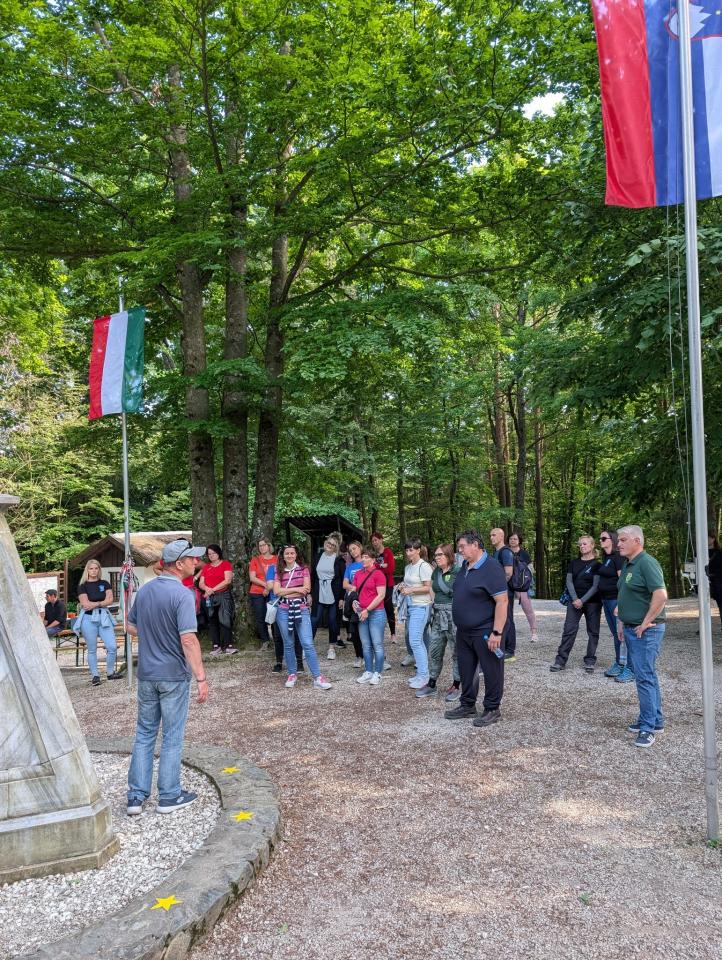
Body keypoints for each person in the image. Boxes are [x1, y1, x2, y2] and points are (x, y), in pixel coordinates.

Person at [126, 538, 209, 815]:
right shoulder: (183, 594)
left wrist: (152, 636)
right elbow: (188, 639)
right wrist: (201, 677)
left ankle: (135, 797)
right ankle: (169, 795)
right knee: (172, 735)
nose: (196, 562)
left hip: (147, 673)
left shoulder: (146, 591)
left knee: (144, 732)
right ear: (179, 564)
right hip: (173, 674)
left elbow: (129, 625)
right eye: (192, 558)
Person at [444, 530, 509, 727]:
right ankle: (468, 705)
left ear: (476, 545)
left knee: (491, 670)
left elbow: (502, 601)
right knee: (467, 670)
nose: (459, 550)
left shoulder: (492, 567)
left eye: (462, 546)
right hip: (464, 631)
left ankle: (492, 708)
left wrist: (497, 632)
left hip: (485, 630)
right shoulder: (465, 566)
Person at [616, 525, 668, 748]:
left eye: (623, 540)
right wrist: (622, 621)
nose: (618, 544)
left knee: (644, 677)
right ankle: (655, 720)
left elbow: (661, 595)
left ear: (637, 541)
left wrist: (645, 622)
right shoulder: (629, 563)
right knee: (646, 674)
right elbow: (625, 594)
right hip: (631, 627)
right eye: (618, 540)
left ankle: (648, 728)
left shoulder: (647, 563)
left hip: (645, 631)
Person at [274, 544, 332, 690]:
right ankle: (292, 674)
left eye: (292, 553)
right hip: (283, 610)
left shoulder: (303, 569)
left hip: (301, 609)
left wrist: (287, 591)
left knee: (307, 643)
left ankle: (317, 677)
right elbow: (276, 591)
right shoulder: (279, 570)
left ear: (296, 555)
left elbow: (306, 589)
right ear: (283, 556)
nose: (289, 555)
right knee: (288, 643)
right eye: (287, 553)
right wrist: (296, 589)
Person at [415, 544, 461, 700]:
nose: (437, 557)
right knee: (435, 649)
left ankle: (457, 684)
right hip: (438, 616)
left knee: (456, 651)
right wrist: (435, 605)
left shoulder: (458, 571)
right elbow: (432, 589)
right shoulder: (436, 572)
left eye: (440, 554)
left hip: (454, 616)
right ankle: (432, 683)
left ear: (449, 555)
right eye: (436, 555)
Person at [551, 535, 601, 673]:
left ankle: (590, 660)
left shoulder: (598, 565)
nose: (582, 546)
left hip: (593, 602)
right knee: (569, 630)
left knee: (593, 632)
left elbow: (595, 586)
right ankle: (560, 661)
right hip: (574, 602)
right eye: (580, 544)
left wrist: (582, 600)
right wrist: (575, 599)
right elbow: (569, 582)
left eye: (584, 544)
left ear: (592, 545)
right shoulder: (574, 563)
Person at [75, 559, 120, 684]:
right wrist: (101, 603)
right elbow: (85, 604)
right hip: (88, 619)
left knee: (112, 646)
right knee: (92, 649)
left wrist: (96, 604)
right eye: (91, 568)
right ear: (87, 570)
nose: (94, 571)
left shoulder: (105, 583)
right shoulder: (82, 586)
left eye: (96, 568)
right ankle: (95, 676)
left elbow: (110, 600)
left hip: (104, 617)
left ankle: (110, 673)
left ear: (99, 570)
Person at [598, 529, 632, 682]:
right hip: (606, 600)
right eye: (600, 538)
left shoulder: (618, 557)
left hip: (615, 600)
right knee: (616, 633)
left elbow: (622, 580)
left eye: (603, 538)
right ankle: (619, 663)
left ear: (612, 539)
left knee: (622, 634)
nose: (600, 541)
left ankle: (630, 667)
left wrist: (621, 602)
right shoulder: (607, 557)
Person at [399, 538, 433, 690]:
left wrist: (411, 590)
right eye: (407, 550)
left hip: (421, 606)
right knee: (417, 641)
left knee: (415, 641)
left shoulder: (424, 566)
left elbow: (428, 588)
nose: (408, 553)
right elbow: (409, 584)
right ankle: (421, 674)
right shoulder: (408, 567)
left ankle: (424, 676)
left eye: (411, 550)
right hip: (410, 606)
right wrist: (403, 586)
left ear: (418, 550)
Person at [353, 545, 387, 685]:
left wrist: (367, 609)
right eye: (363, 556)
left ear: (373, 559)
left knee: (377, 644)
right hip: (362, 612)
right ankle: (368, 671)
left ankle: (377, 672)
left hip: (376, 613)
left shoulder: (379, 574)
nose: (363, 559)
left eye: (366, 557)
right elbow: (355, 592)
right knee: (365, 644)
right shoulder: (358, 574)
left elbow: (381, 596)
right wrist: (354, 602)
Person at [310, 536, 346, 660]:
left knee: (332, 620)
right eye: (329, 543)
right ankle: (308, 647)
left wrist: (341, 597)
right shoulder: (317, 556)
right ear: (325, 543)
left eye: (333, 544)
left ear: (336, 548)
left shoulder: (339, 560)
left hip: (334, 592)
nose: (330, 545)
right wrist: (309, 593)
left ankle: (331, 648)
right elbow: (312, 575)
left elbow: (343, 579)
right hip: (318, 591)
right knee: (314, 619)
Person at [199, 544, 235, 657]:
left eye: (213, 553)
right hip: (210, 597)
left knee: (225, 619)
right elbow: (201, 583)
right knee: (212, 620)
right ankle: (216, 645)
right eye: (209, 554)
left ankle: (228, 645)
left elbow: (227, 580)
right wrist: (207, 589)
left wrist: (212, 589)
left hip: (223, 595)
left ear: (218, 553)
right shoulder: (206, 567)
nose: (211, 556)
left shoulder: (225, 564)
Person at [489, 527, 517, 661]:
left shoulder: (505, 552)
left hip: (505, 592)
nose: (491, 537)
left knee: (507, 619)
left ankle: (510, 651)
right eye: (490, 535)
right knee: (501, 618)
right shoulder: (496, 552)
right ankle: (502, 647)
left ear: (501, 537)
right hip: (498, 592)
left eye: (494, 535)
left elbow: (508, 573)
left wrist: (499, 588)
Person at [508, 533, 538, 643]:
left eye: (515, 539)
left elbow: (531, 570)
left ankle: (534, 633)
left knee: (527, 608)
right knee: (506, 610)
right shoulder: (505, 552)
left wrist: (527, 582)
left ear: (519, 541)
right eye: (511, 539)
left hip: (521, 584)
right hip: (507, 583)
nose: (512, 540)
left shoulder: (524, 554)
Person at [248, 538, 278, 647]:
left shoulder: (277, 559)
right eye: (260, 546)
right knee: (260, 617)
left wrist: (269, 588)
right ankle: (265, 641)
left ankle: (277, 640)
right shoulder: (255, 559)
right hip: (257, 592)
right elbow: (252, 578)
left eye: (264, 545)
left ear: (269, 546)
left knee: (275, 616)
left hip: (273, 592)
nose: (262, 547)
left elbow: (278, 576)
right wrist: (266, 585)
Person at [342, 540, 365, 666]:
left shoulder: (366, 562)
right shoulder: (350, 567)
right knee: (354, 631)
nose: (352, 551)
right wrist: (356, 588)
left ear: (360, 548)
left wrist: (355, 588)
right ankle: (359, 656)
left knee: (367, 630)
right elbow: (345, 584)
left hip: (366, 601)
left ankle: (376, 657)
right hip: (354, 602)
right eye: (350, 550)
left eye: (354, 548)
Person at [371, 531, 396, 643]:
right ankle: (378, 634)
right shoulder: (373, 554)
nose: (374, 542)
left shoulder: (387, 552)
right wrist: (381, 565)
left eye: (376, 540)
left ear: (381, 539)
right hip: (376, 585)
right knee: (377, 608)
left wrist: (378, 566)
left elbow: (390, 569)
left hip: (387, 584)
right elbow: (372, 568)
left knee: (388, 607)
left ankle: (393, 634)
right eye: (373, 541)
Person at [707, 533, 722, 623]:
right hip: (707, 581)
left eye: (708, 538)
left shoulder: (719, 552)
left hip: (718, 581)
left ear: (713, 539)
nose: (706, 540)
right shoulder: (700, 553)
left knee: (721, 603)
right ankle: (704, 625)